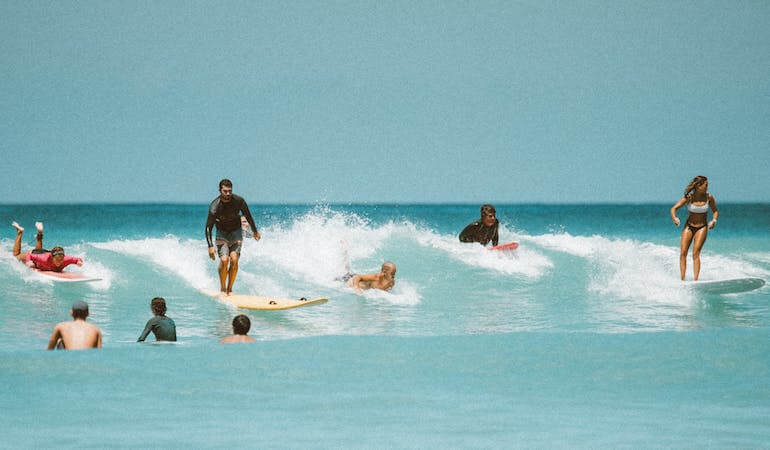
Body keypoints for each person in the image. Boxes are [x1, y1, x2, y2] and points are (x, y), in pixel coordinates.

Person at [205, 179, 261, 295]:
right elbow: (208, 227)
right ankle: (222, 288)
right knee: (224, 260)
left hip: (236, 232)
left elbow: (248, 216)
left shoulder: (239, 201)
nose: (228, 194)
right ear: (220, 191)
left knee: (234, 260)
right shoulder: (214, 206)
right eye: (225, 191)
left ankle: (230, 289)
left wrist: (255, 231)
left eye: (230, 191)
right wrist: (210, 246)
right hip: (222, 233)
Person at [670, 175, 719, 281]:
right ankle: (682, 280)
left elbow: (715, 211)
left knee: (696, 253)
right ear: (698, 186)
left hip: (702, 227)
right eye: (705, 185)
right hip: (689, 226)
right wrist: (675, 218)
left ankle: (695, 280)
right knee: (683, 252)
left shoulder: (709, 197)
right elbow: (674, 209)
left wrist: (714, 221)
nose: (707, 187)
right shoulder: (689, 198)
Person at [11, 221, 83, 272]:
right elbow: (30, 255)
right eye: (57, 260)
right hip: (38, 255)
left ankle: (40, 233)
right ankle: (20, 232)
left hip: (44, 253)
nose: (59, 262)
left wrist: (79, 262)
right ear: (52, 257)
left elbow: (77, 259)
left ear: (63, 257)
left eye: (61, 260)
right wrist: (29, 261)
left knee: (39, 250)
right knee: (16, 255)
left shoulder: (65, 259)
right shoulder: (44, 259)